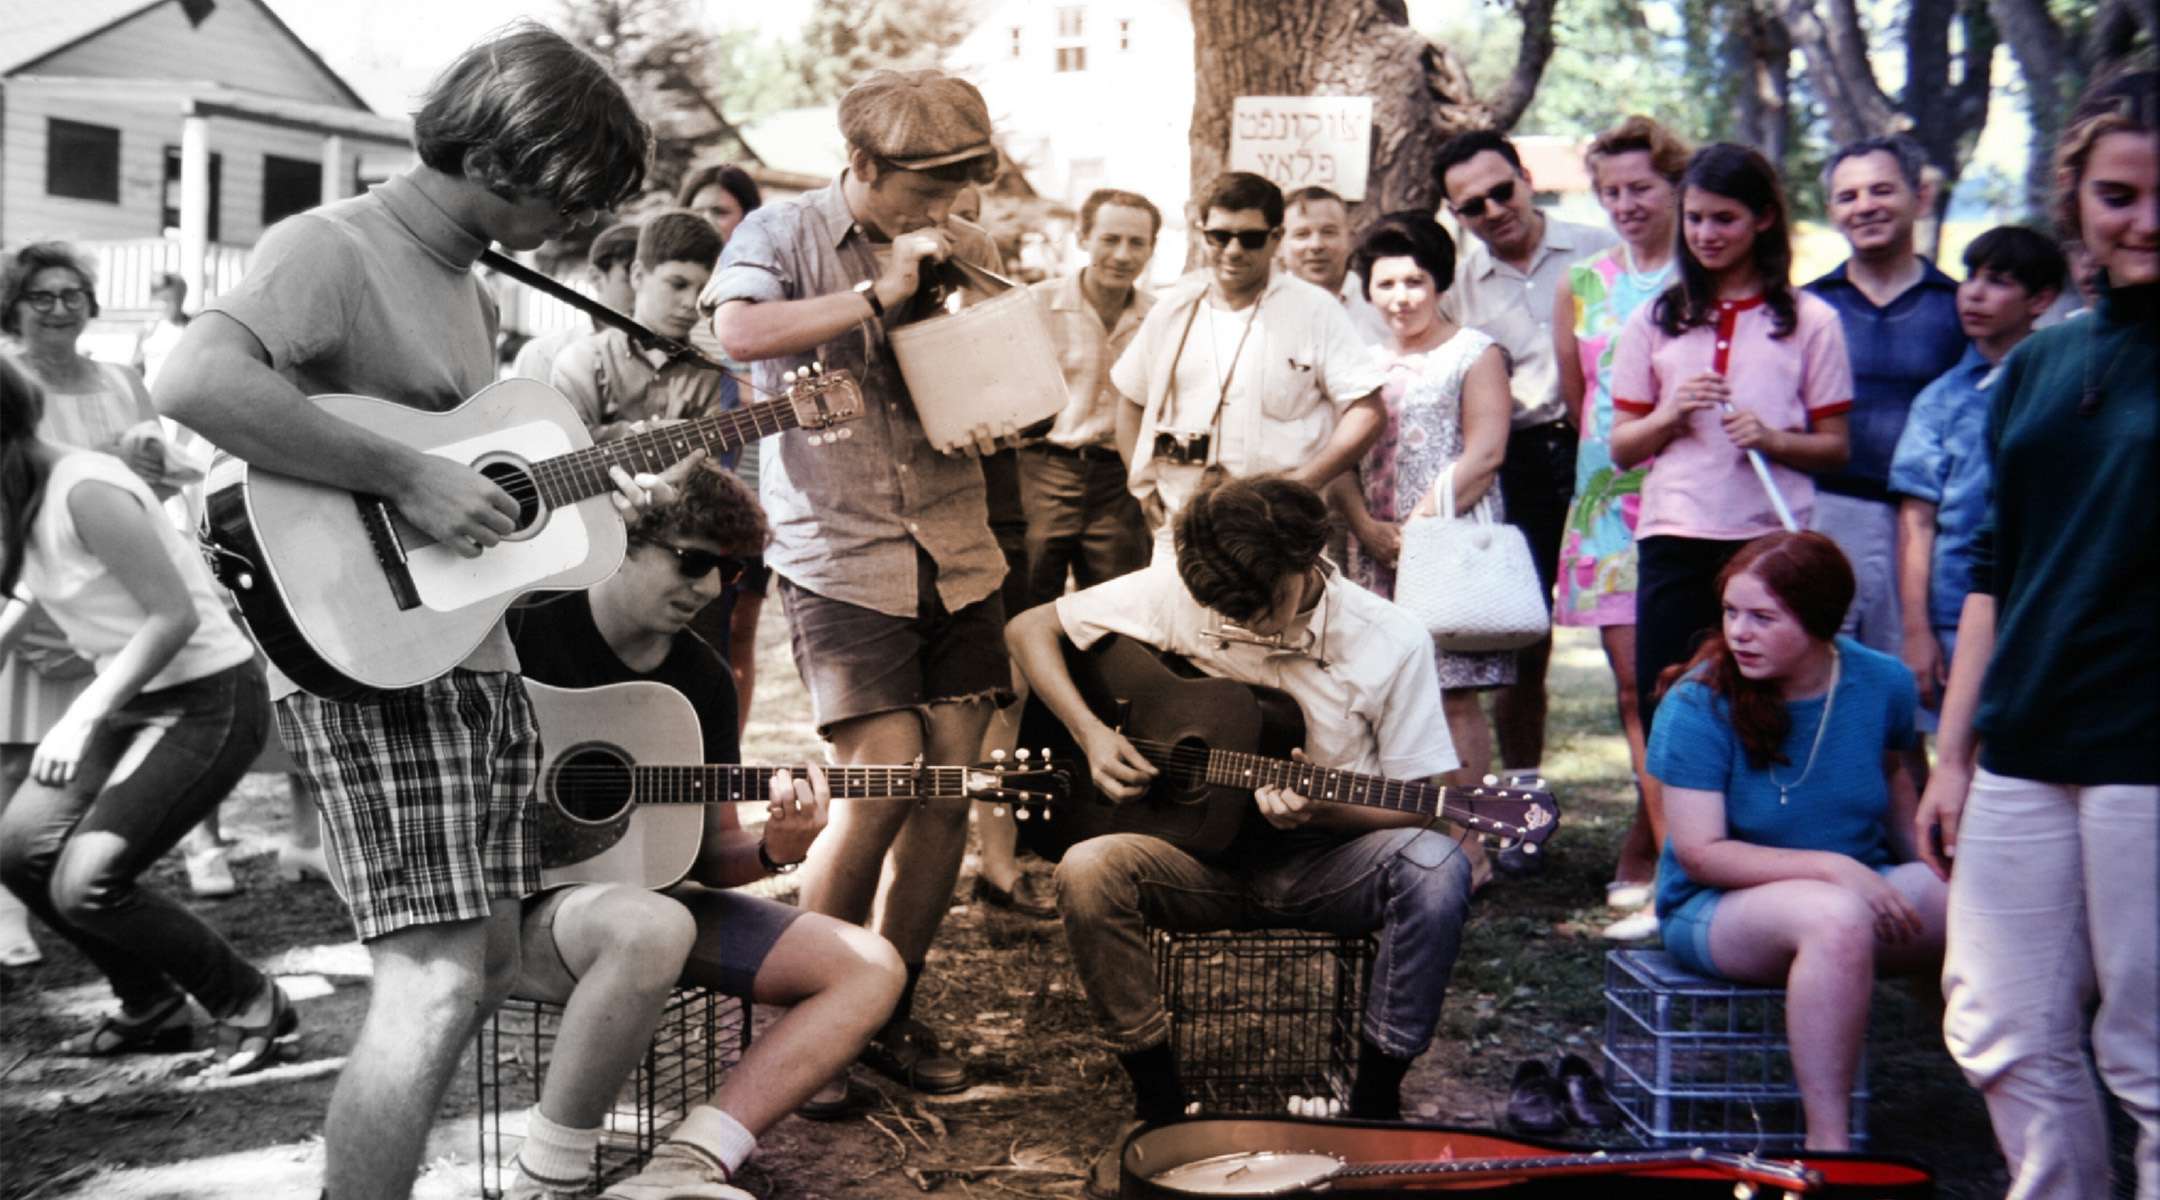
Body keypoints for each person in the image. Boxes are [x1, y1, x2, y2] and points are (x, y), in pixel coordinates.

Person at [153, 26, 678, 1200]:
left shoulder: (463, 283)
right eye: (572, 195)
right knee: (434, 979)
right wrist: (410, 479)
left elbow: (463, 476)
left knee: (484, 962)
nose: (579, 226)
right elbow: (193, 381)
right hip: (366, 661)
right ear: (504, 157)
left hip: (463, 655)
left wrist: (594, 485)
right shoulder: (331, 244)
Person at [1008, 470, 1472, 1196]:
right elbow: (1028, 628)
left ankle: (1376, 1104)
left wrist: (1327, 811)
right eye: (1226, 609)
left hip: (1323, 865)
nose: (1245, 623)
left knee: (1437, 865)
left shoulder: (1391, 638)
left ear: (1303, 564)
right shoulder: (1182, 590)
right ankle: (1162, 1113)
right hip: (1191, 862)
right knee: (1088, 865)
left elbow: (1421, 803)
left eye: (1259, 608)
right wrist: (1093, 735)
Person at [709, 68, 1011, 1097]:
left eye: (963, 182)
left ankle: (891, 1003)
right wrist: (874, 295)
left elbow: (993, 367)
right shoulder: (782, 235)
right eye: (930, 185)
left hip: (958, 545)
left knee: (949, 784)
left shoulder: (970, 245)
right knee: (884, 773)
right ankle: (814, 1014)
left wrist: (1002, 400)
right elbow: (737, 333)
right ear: (866, 165)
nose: (950, 207)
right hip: (840, 550)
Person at [502, 468, 904, 1200]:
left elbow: (705, 856)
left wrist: (778, 848)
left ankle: (687, 1164)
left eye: (731, 569)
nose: (710, 586)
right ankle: (546, 1182)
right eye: (691, 560)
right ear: (624, 541)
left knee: (870, 966)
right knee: (651, 923)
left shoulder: (704, 680)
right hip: (519, 911)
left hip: (647, 909)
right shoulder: (521, 632)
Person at [1920, 71, 2157, 1200]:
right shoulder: (2038, 367)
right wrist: (1954, 755)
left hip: (2146, 759)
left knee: (2151, 1059)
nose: (2145, 222)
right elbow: (1993, 574)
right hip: (2020, 749)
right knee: (1999, 1025)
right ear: (2077, 201)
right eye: (2119, 195)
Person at [0, 356, 286, 1072]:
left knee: (87, 882)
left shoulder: (85, 490)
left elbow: (173, 617)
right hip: (132, 698)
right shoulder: (19, 489)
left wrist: (80, 716)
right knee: (19, 850)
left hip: (211, 697)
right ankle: (152, 1005)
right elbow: (34, 589)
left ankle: (253, 1001)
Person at [1649, 530, 1945, 1151]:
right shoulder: (1697, 702)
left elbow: (1894, 776)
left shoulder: (1882, 682)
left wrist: (1927, 871)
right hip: (1717, 905)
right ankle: (1829, 1147)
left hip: (1854, 884)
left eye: (1763, 617)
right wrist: (1836, 868)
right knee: (1833, 917)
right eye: (1731, 612)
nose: (1739, 633)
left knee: (1965, 898)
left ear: (1820, 622)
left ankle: (2005, 1089)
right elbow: (1702, 854)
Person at [0, 244, 235, 898]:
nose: (58, 308)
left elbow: (158, 482)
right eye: (40, 296)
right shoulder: (5, 381)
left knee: (165, 704)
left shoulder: (122, 380)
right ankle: (11, 906)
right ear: (12, 306)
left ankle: (200, 847)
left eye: (72, 294)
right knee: (19, 747)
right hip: (38, 576)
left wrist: (146, 474)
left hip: (128, 581)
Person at [1608, 142, 1852, 733]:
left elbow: (1836, 448)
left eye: (1725, 218)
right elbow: (1622, 447)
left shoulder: (1809, 319)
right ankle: (1676, 827)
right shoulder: (1653, 319)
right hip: (1676, 534)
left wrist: (1772, 438)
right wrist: (1670, 415)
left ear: (1764, 218)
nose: (1706, 233)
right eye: (1695, 218)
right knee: (1667, 701)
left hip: (1767, 542)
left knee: (1762, 707)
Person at [1432, 130, 1618, 806]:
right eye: (1471, 206)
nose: (1492, 211)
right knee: (1519, 643)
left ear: (1526, 177)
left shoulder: (1603, 248)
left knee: (1638, 635)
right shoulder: (1457, 289)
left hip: (1612, 454)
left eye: (1500, 190)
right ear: (1457, 216)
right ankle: (1523, 799)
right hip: (1520, 462)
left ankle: (1665, 806)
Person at [1328, 212, 1510, 890]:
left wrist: (1419, 527)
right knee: (1374, 695)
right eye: (1385, 283)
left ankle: (1473, 849)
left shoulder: (1474, 352)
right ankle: (1396, 844)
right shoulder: (1359, 361)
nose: (1400, 296)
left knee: (1452, 695)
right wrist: (1368, 528)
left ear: (1439, 282)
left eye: (1414, 280)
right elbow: (1339, 454)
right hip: (1370, 545)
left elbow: (1486, 452)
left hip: (1444, 544)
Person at [1550, 116, 1688, 938]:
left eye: (1642, 187)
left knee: (1685, 684)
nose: (1626, 203)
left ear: (1675, 185)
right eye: (1610, 191)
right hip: (1607, 509)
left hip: (1688, 501)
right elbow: (1583, 405)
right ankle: (1660, 845)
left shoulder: (1702, 277)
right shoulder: (1585, 282)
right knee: (1635, 689)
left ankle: (1664, 848)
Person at [1804, 135, 1966, 795]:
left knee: (1910, 699)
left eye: (1881, 189)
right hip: (1824, 514)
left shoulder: (1958, 306)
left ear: (1919, 198)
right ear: (1832, 210)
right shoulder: (1809, 307)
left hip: (1923, 529)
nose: (1864, 205)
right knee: (1821, 691)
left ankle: (1925, 853)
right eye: (1848, 195)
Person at [1113, 171, 1386, 541]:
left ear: (1276, 238)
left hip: (1276, 525)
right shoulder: (1174, 309)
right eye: (1220, 236)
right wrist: (1143, 487)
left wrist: (1302, 485)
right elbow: (1130, 401)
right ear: (1201, 233)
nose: (1233, 250)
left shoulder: (1313, 309)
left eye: (1251, 238)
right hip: (1181, 520)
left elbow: (1367, 411)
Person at [1887, 228, 2064, 743]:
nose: (1974, 293)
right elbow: (1916, 522)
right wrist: (1917, 632)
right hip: (1955, 615)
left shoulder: (2070, 385)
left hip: (2044, 610)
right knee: (1957, 758)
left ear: (2042, 299)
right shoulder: (1940, 401)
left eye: (1999, 282)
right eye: (1970, 278)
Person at [1019, 188, 1159, 609]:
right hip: (1041, 471)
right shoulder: (1035, 304)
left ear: (1152, 249)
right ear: (1083, 238)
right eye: (1110, 239)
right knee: (1029, 598)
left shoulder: (1160, 317)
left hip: (1118, 483)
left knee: (1117, 609)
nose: (1122, 254)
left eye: (1137, 242)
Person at [550, 212, 733, 447]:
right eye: (678, 285)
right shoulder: (582, 360)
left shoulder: (712, 379)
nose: (690, 303)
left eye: (701, 290)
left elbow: (713, 470)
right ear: (637, 276)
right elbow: (564, 454)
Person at [509, 221, 641, 385]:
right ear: (596, 278)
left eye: (654, 283)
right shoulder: (544, 355)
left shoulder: (672, 357)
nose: (645, 293)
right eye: (631, 280)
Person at [1278, 186, 1391, 344]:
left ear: (1351, 239)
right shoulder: (1263, 307)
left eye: (1328, 232)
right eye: (1302, 234)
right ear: (1278, 246)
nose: (1316, 245)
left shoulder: (1381, 303)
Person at [131, 272, 191, 389]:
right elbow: (136, 366)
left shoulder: (190, 329)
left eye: (173, 299)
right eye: (163, 299)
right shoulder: (148, 329)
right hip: (150, 397)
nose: (168, 304)